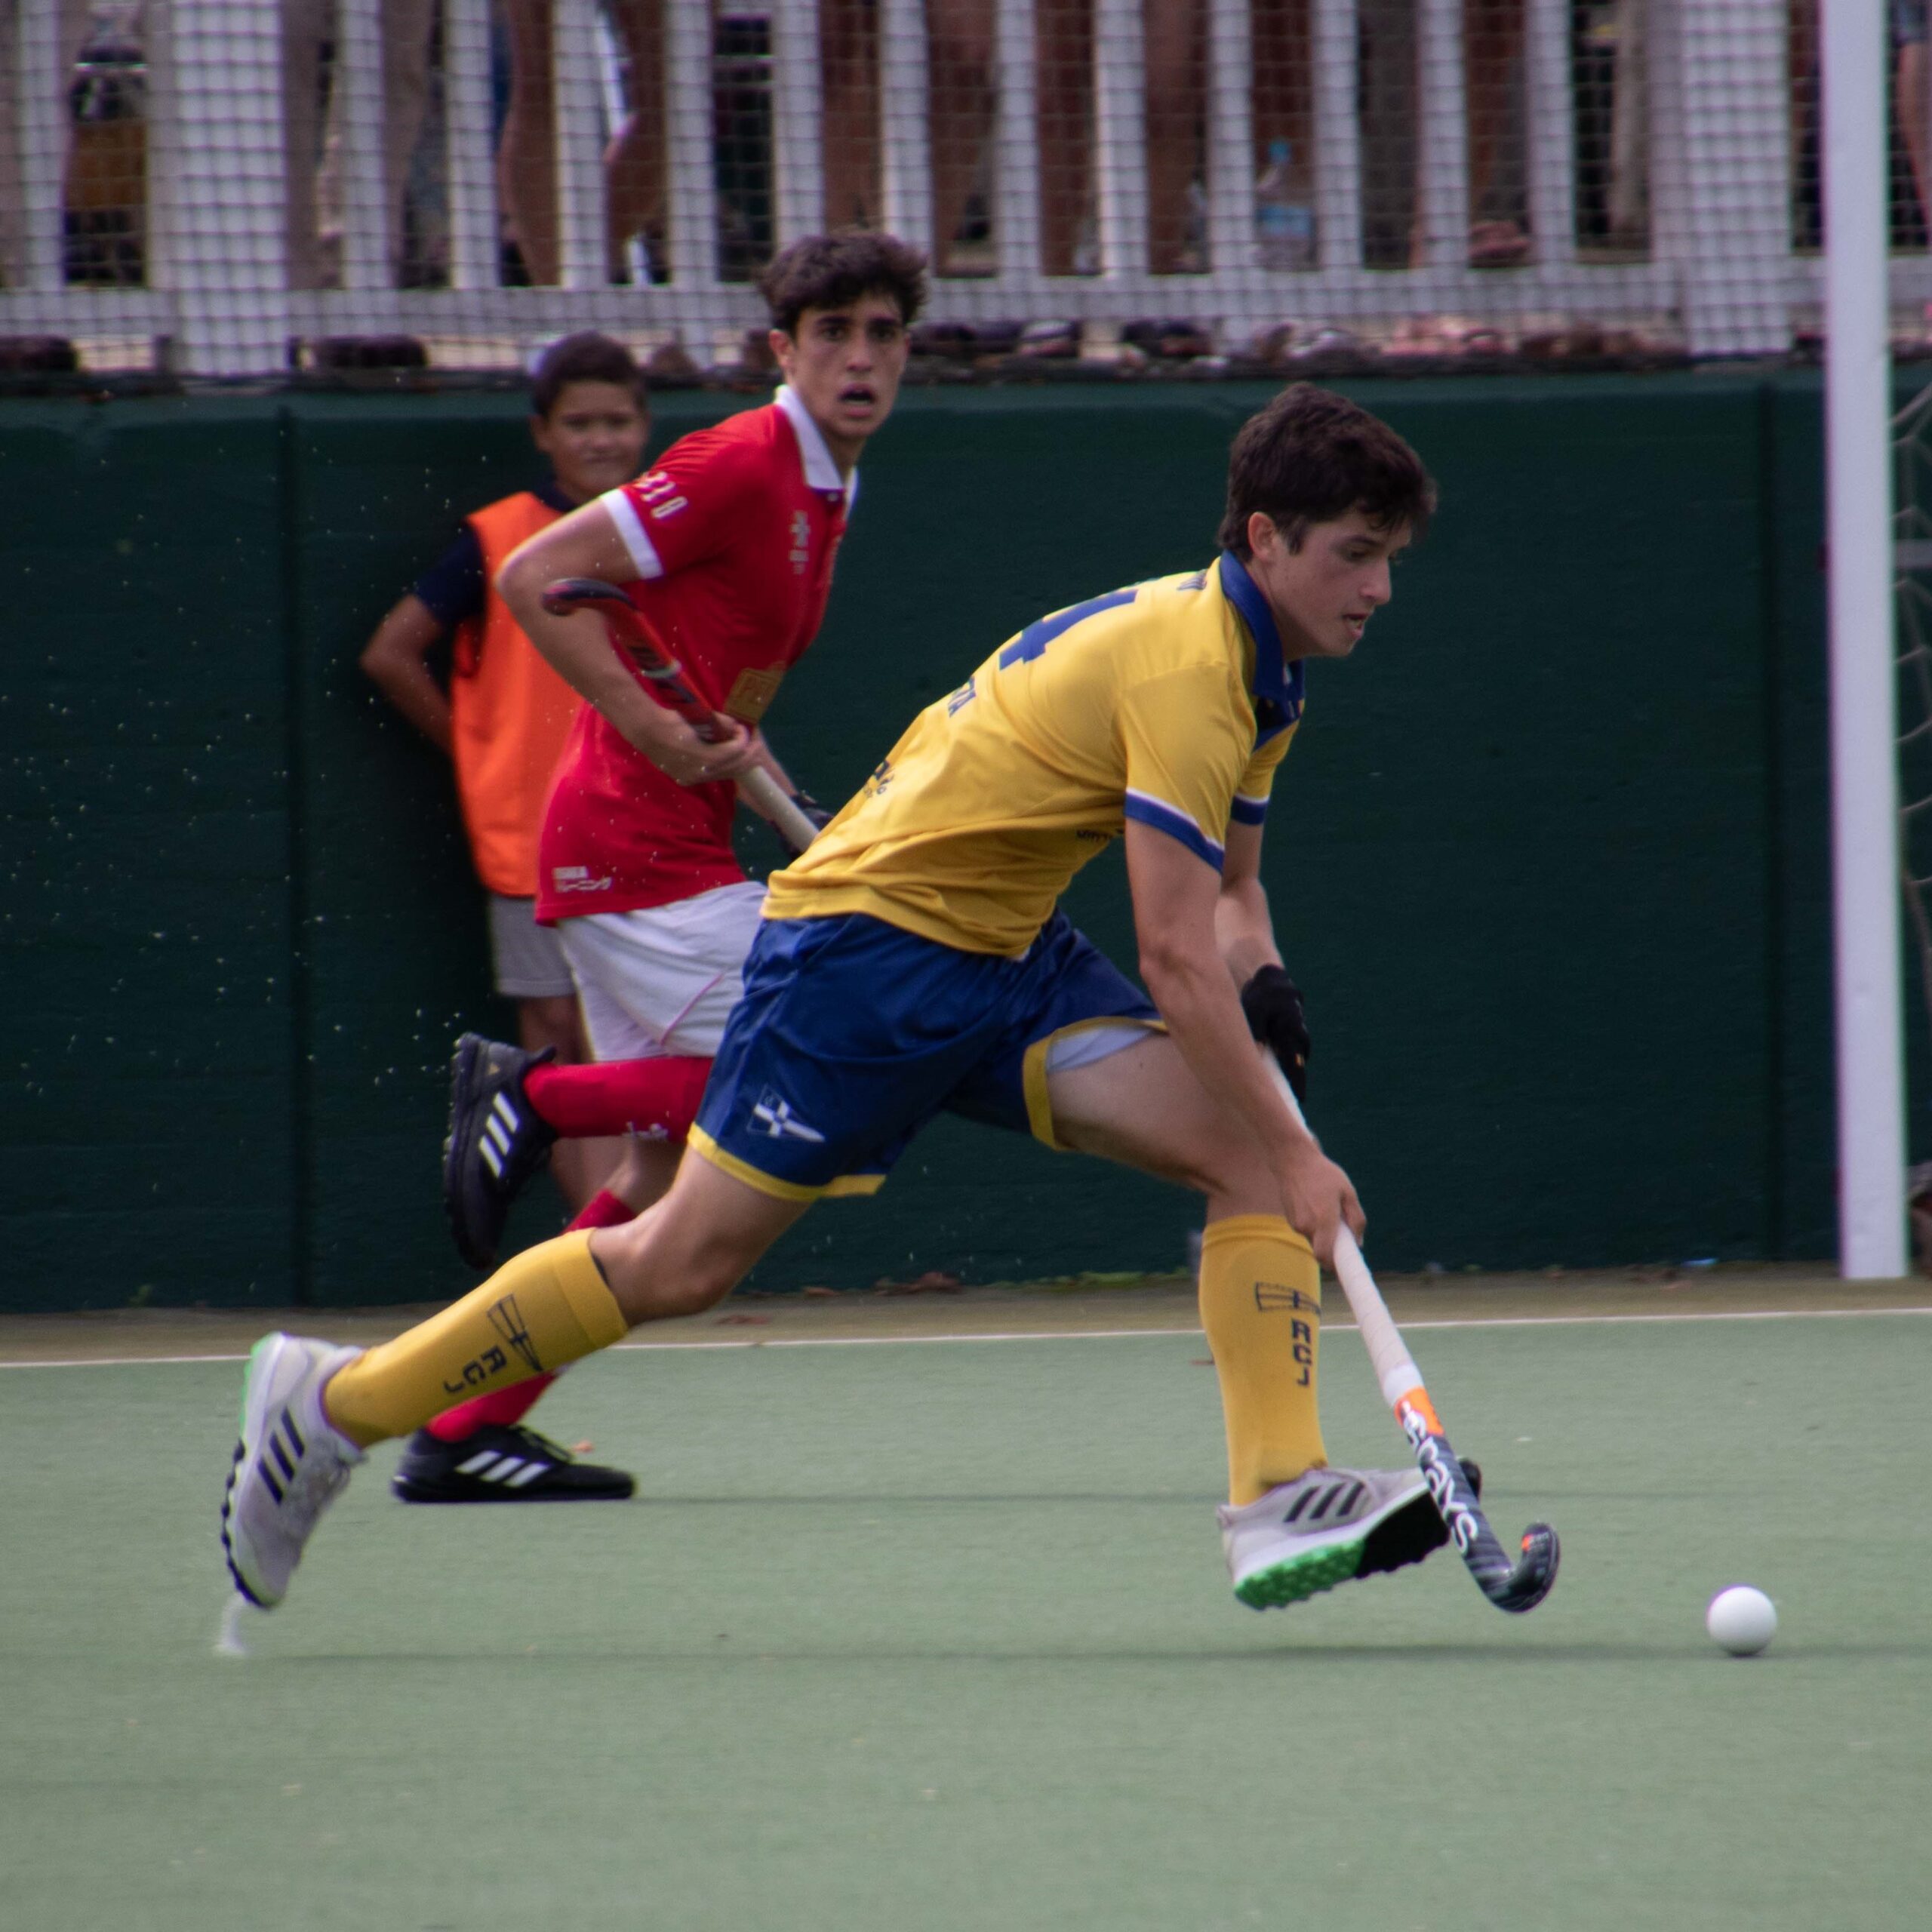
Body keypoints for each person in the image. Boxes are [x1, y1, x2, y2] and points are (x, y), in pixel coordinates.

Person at [219, 382, 1478, 1623]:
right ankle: (334, 1405)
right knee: (677, 1261)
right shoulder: (1190, 672)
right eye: (1355, 555)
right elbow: (1172, 956)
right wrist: (1297, 1147)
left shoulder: (1263, 670)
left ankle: (1279, 1493)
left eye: (1389, 559)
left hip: (1006, 958)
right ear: (1265, 538)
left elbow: (1231, 900)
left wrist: (1269, 987)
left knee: (1245, 1153)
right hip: (864, 960)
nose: (1378, 588)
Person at [387, 229, 926, 1506]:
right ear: (783, 350)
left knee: (655, 1188)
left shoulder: (830, 491)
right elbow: (538, 576)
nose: (860, 358)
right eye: (833, 334)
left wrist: (758, 773)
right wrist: (645, 724)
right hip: (628, 849)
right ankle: (538, 1094)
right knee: (838, 1051)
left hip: (667, 842)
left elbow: (717, 675)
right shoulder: (741, 461)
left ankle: (461, 1431)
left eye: (883, 334)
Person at [355, 330, 648, 1501]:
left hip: (637, 848)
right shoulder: (496, 540)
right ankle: (595, 1267)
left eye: (619, 420)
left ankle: (609, 1257)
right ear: (544, 434)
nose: (601, 440)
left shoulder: (655, 533)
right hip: (530, 842)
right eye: (580, 423)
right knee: (556, 1046)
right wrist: (476, 757)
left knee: (628, 1050)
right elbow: (393, 653)